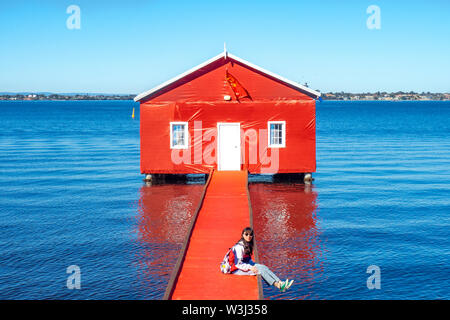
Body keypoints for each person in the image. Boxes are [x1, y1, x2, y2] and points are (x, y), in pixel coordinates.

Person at [230, 227, 293, 292]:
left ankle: (280, 282)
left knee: (263, 267)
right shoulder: (239, 247)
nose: (248, 236)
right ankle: (278, 286)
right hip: (235, 269)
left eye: (250, 234)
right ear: (243, 235)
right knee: (259, 271)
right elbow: (238, 264)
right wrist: (250, 267)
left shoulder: (247, 244)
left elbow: (247, 259)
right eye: (246, 234)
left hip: (244, 264)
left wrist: (253, 264)